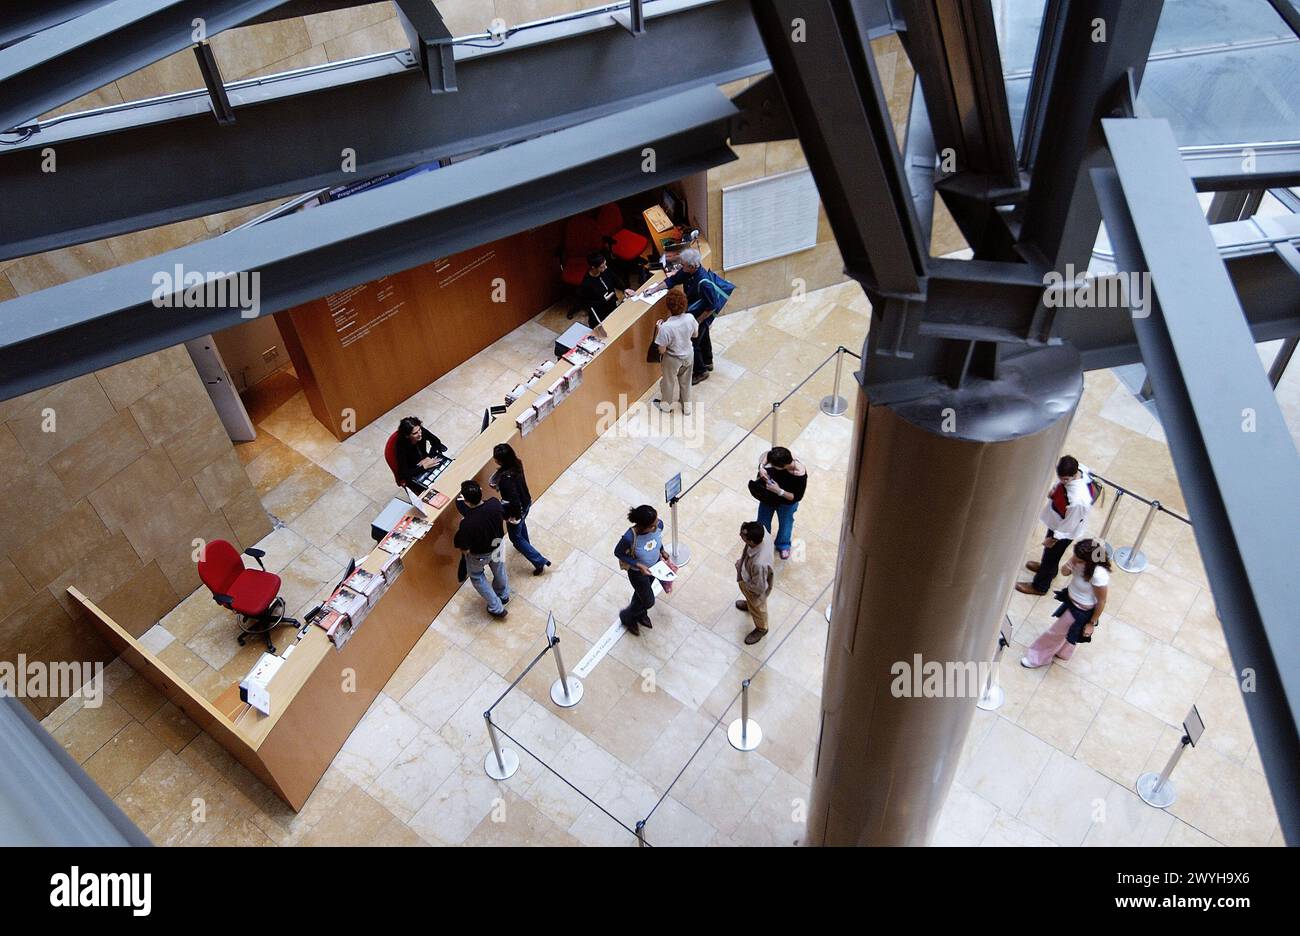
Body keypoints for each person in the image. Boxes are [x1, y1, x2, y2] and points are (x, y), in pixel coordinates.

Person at [1021, 538, 1110, 668]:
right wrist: (1071, 563)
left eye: (1079, 558)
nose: (1075, 558)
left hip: (1080, 610)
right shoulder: (1078, 560)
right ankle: (1064, 652)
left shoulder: (1098, 575)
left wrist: (1091, 623)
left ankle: (1037, 658)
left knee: (1055, 633)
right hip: (1071, 600)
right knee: (1067, 631)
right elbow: (1064, 572)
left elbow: (1102, 601)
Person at [1015, 455, 1095, 596]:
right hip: (1057, 521)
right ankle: (1049, 571)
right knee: (1050, 556)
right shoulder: (1078, 470)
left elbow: (1069, 524)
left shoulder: (1078, 499)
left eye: (1064, 479)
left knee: (1051, 555)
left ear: (1072, 475)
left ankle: (1040, 586)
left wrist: (1054, 538)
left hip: (1063, 531)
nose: (1061, 481)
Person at [661, 247, 734, 385]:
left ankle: (701, 371)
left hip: (701, 316)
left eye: (683, 265)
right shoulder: (687, 271)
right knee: (704, 337)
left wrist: (697, 322)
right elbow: (672, 280)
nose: (681, 267)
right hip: (695, 315)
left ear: (692, 266)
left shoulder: (703, 282)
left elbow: (711, 306)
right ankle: (708, 362)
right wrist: (653, 289)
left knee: (693, 343)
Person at [489, 442, 550, 576]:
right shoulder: (517, 464)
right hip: (526, 501)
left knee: (515, 538)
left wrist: (515, 516)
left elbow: (514, 500)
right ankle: (525, 544)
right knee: (521, 527)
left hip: (516, 510)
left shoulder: (506, 480)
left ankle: (539, 561)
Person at [453, 480, 510, 619]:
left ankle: (496, 608)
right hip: (497, 544)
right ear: (481, 490)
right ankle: (503, 595)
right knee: (499, 569)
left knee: (477, 577)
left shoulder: (467, 523)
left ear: (465, 501)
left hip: (479, 554)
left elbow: (465, 548)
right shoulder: (494, 503)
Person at [613, 505, 669, 636]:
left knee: (641, 594)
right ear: (645, 527)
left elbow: (658, 539)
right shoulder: (629, 538)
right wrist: (638, 565)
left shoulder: (658, 525)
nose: (658, 523)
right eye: (654, 523)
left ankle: (640, 614)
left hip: (654, 567)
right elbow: (618, 553)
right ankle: (627, 616)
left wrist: (662, 550)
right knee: (648, 601)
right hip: (638, 573)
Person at [754, 446, 807, 560]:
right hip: (768, 497)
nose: (771, 467)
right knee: (762, 521)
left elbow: (796, 497)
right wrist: (761, 467)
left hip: (786, 503)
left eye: (774, 466)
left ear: (783, 466)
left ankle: (783, 544)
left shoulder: (799, 475)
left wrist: (779, 491)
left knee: (786, 524)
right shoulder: (784, 455)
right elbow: (768, 455)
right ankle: (763, 544)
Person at [652, 286, 697, 413]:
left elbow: (661, 350)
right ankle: (686, 407)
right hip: (689, 354)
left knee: (668, 383)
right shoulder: (690, 318)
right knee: (686, 382)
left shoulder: (666, 327)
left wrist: (658, 330)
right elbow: (695, 334)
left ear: (669, 307)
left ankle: (666, 407)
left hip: (673, 359)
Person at [735, 521, 775, 645]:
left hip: (754, 586)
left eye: (743, 535)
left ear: (751, 542)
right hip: (752, 575)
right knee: (752, 602)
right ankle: (749, 604)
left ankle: (761, 628)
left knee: (758, 606)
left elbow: (758, 587)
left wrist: (744, 584)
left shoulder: (759, 564)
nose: (740, 534)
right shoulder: (762, 532)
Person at [576, 252, 633, 328]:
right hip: (599, 311)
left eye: (605, 264)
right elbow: (587, 303)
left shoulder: (605, 270)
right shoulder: (587, 283)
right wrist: (603, 300)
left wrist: (624, 289)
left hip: (611, 303)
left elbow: (615, 279)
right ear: (593, 267)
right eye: (602, 267)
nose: (605, 267)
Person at [395, 415, 447, 492]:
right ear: (407, 436)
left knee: (445, 473)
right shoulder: (400, 447)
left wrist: (429, 457)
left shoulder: (420, 431)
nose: (420, 434)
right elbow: (405, 473)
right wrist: (424, 466)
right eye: (415, 433)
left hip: (426, 459)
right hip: (415, 470)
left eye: (419, 429)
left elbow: (436, 441)